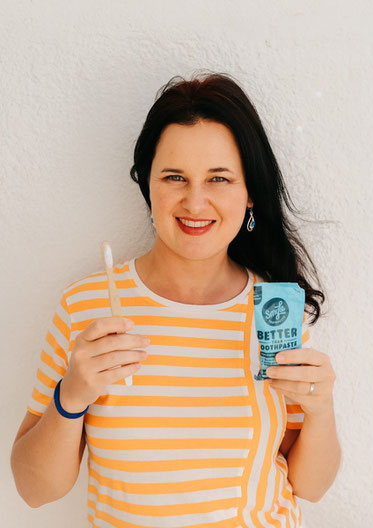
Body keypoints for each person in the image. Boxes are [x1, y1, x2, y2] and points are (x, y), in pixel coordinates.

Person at [10, 71, 341, 527]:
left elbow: (310, 486)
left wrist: (321, 409)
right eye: (175, 177)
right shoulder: (86, 309)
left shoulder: (274, 308)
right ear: (149, 186)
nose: (195, 201)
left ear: (249, 195)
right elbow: (33, 490)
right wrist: (73, 395)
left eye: (220, 178)